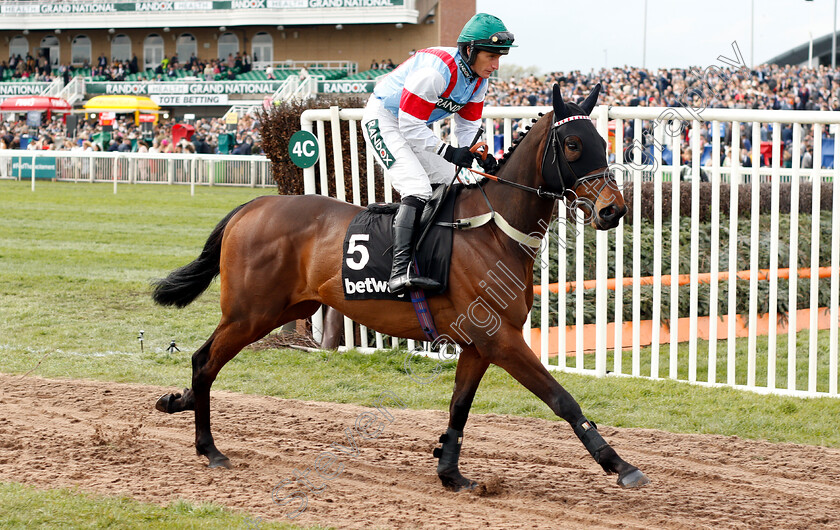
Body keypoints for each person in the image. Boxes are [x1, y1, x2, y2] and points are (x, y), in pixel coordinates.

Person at [361, 12, 514, 294]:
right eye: (491, 56)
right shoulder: (435, 73)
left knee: (453, 183)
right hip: (385, 120)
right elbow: (408, 124)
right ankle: (398, 271)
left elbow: (467, 126)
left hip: (414, 125)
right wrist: (448, 151)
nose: (495, 65)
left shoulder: (478, 79)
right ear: (470, 50)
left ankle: (434, 256)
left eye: (499, 57)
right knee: (417, 188)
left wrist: (475, 154)